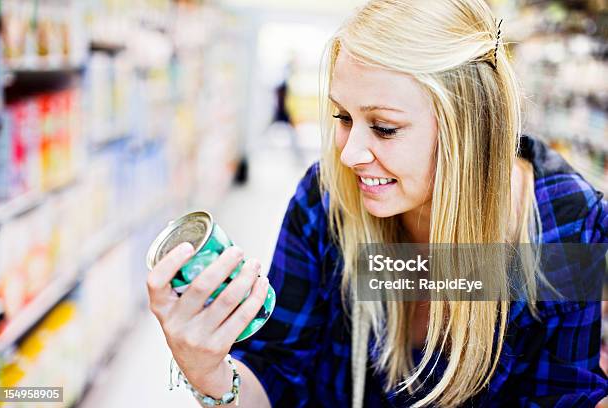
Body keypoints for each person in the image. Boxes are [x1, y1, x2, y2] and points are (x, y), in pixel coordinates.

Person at [147, 0, 608, 406]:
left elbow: (560, 394)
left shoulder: (566, 224)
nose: (348, 154)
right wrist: (208, 371)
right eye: (343, 117)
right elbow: (277, 375)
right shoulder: (328, 198)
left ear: (470, 129)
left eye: (385, 128)